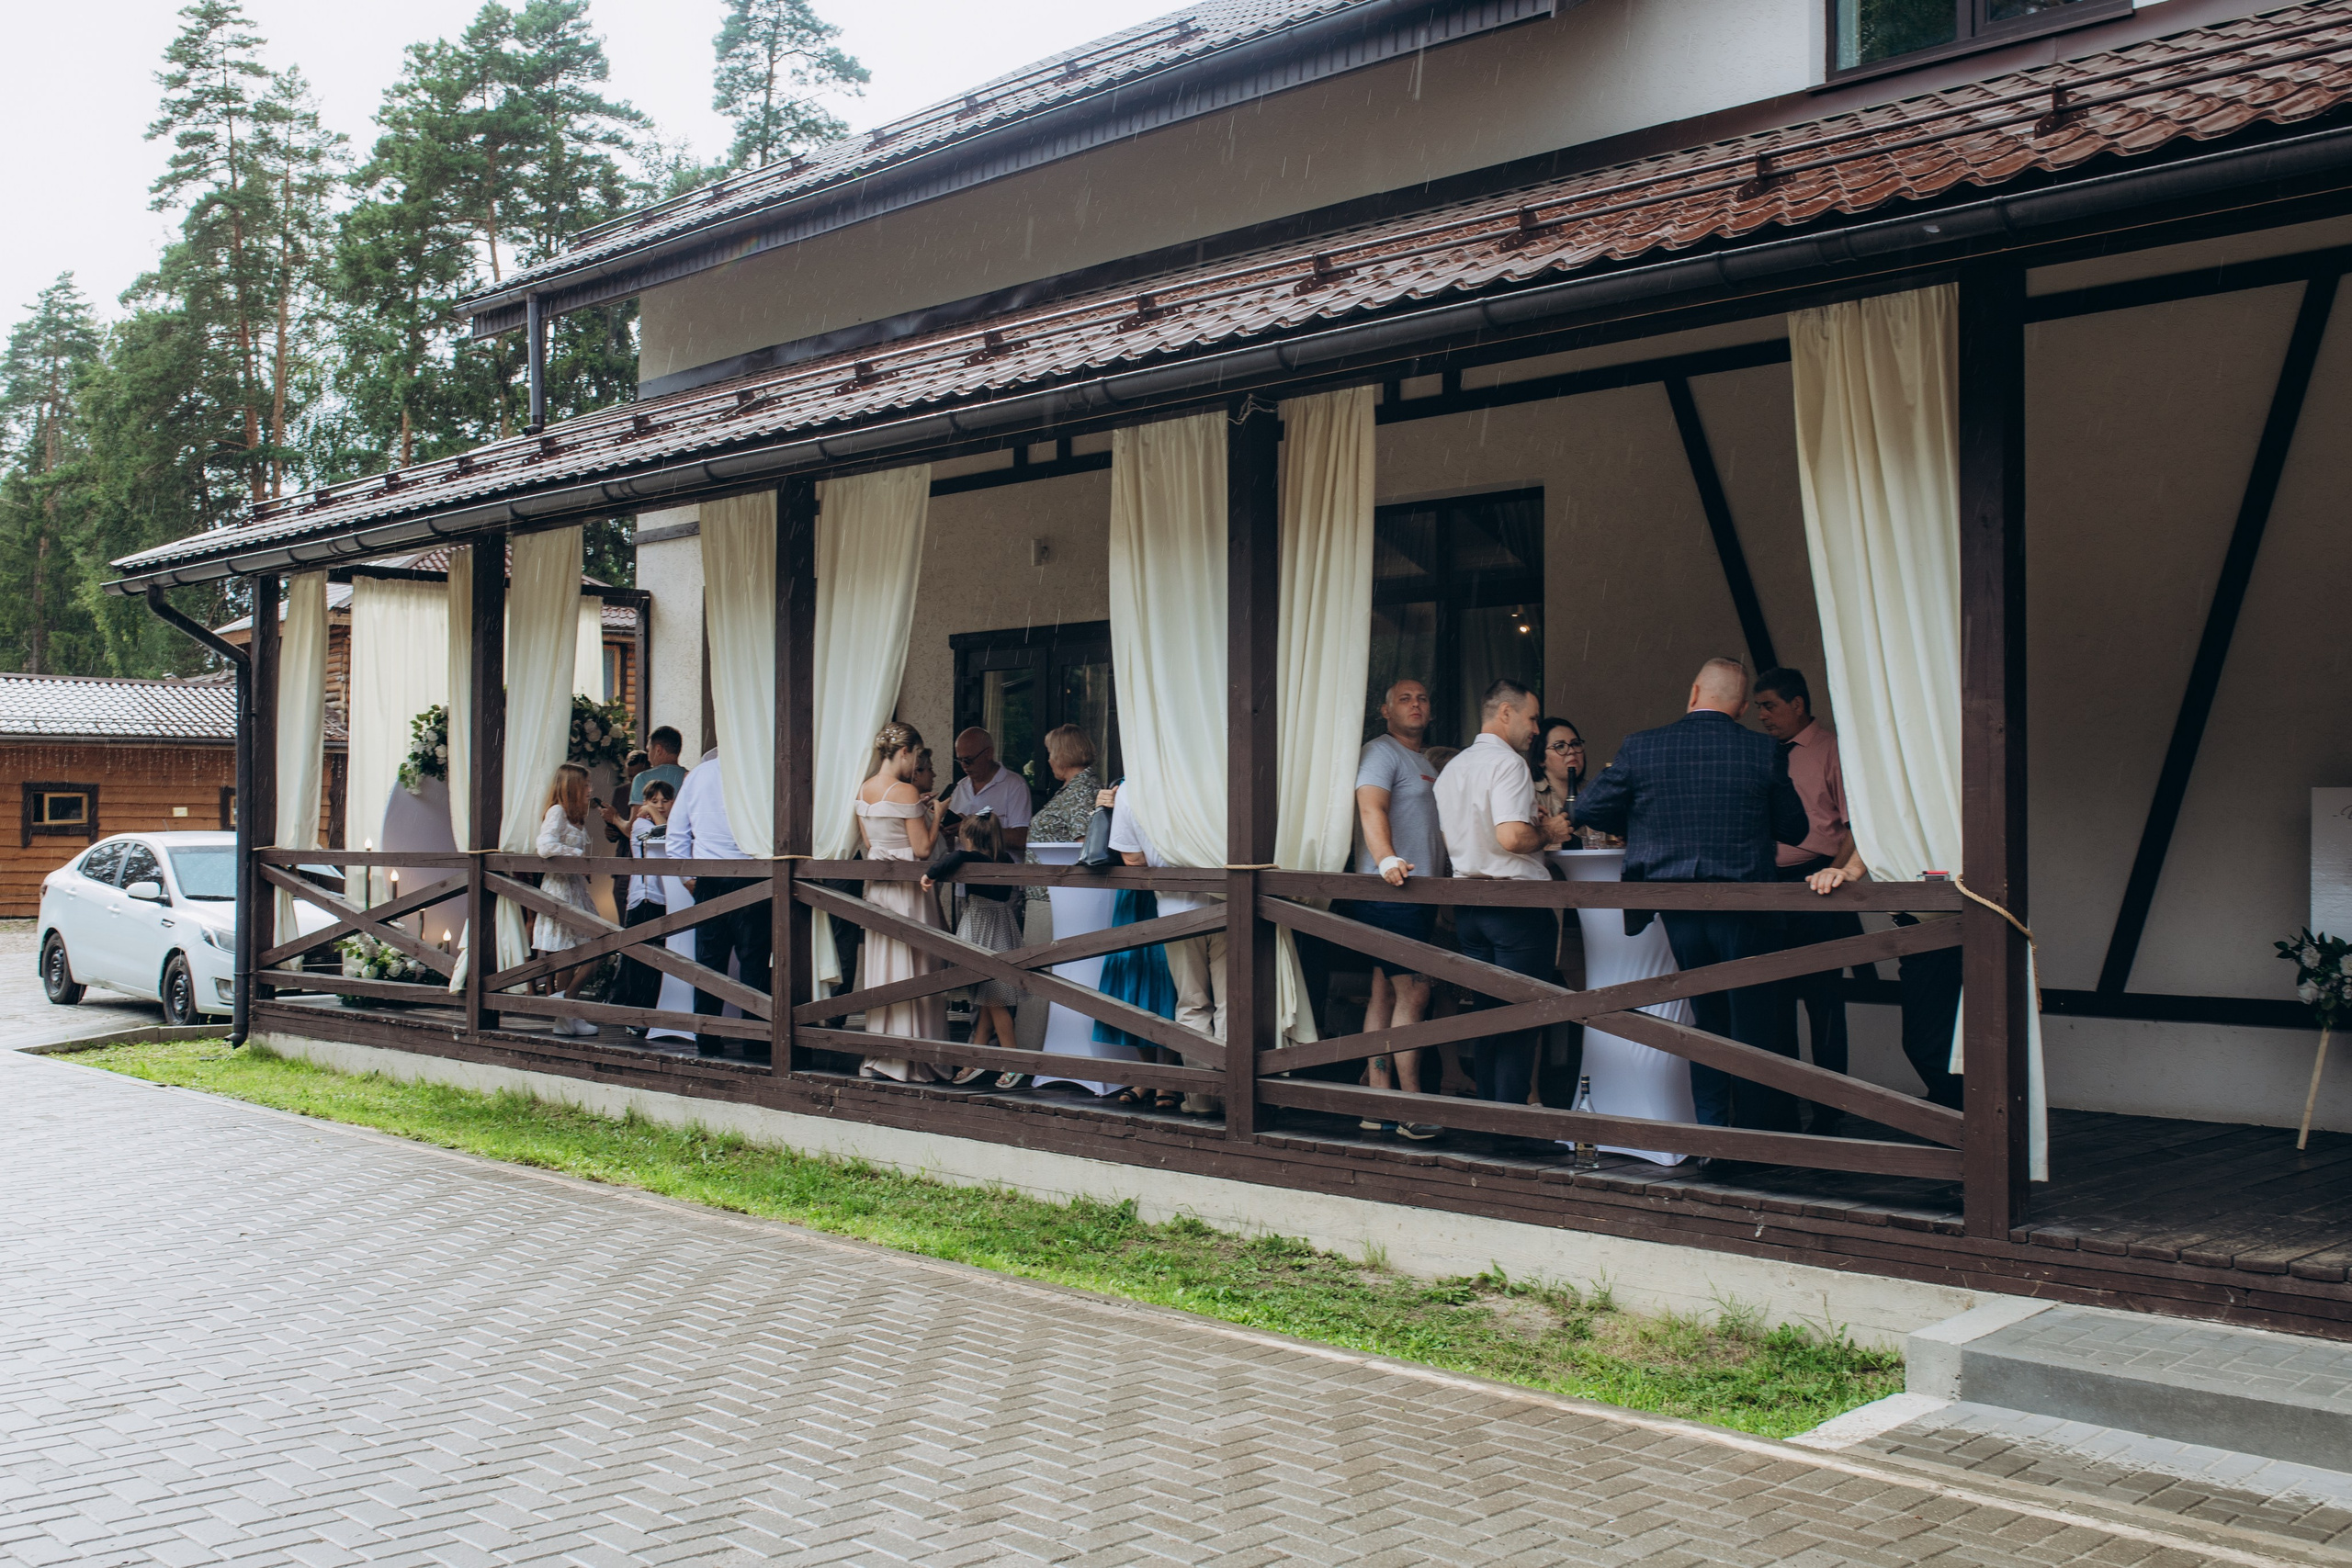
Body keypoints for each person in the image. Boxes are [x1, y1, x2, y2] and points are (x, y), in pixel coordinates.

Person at [1573, 658, 1808, 1136]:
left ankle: (1711, 1131)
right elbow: (1794, 827)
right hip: (1747, 908)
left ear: (1694, 692)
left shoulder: (1643, 746)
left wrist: (1647, 825)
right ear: (1741, 707)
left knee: (1707, 1019)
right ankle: (1759, 1139)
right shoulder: (1762, 751)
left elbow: (1592, 807)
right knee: (1754, 1025)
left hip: (1677, 905)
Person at [1433, 677, 1572, 1111]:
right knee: (1522, 1018)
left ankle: (1490, 1116)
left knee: (1489, 1015)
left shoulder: (1453, 768)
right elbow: (1512, 838)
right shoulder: (1509, 764)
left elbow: (1458, 836)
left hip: (1469, 903)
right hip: (1515, 905)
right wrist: (1548, 830)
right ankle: (1511, 1129)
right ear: (1505, 712)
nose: (1536, 729)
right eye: (1532, 719)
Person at [1753, 667, 1860, 1135]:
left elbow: (1856, 823)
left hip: (1818, 881)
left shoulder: (1832, 749)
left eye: (1770, 705)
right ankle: (1783, 1103)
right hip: (1769, 882)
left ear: (1798, 704)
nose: (1762, 716)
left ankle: (1830, 1106)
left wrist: (1835, 873)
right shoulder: (1761, 754)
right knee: (1773, 998)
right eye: (1757, 707)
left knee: (1823, 1000)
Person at [1344, 678, 1445, 1142]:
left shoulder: (1422, 761)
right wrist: (1385, 859)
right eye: (1405, 699)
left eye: (1422, 698)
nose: (1416, 705)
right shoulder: (1380, 752)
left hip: (1416, 895)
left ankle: (1377, 1099)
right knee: (1417, 991)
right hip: (1389, 891)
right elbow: (1371, 807)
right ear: (1385, 711)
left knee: (1384, 993)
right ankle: (1410, 1104)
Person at [1804, 852, 1963, 1111]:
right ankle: (1955, 1126)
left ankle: (1960, 1129)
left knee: (1931, 1047)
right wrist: (1849, 870)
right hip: (1919, 933)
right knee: (1927, 1046)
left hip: (1949, 932)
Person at [1106, 777, 1221, 1116]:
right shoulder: (1207, 775)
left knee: (1192, 1003)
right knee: (1231, 1004)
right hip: (1226, 900)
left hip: (1174, 909)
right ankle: (1232, 1096)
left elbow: (1132, 859)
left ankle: (1202, 1099)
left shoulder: (1131, 790)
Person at [854, 721, 948, 1081]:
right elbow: (923, 849)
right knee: (918, 964)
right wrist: (935, 815)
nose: (915, 767)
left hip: (879, 888)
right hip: (911, 890)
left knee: (884, 965)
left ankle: (882, 1050)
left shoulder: (864, 790)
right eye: (916, 756)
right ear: (905, 752)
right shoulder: (906, 792)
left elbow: (870, 843)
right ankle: (916, 1054)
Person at [667, 746, 773, 1064]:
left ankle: (707, 1035)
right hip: (753, 876)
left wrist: (688, 878)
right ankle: (756, 1038)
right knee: (754, 960)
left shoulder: (698, 776)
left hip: (710, 877)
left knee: (709, 960)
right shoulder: (759, 775)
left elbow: (676, 833)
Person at [922, 811, 1023, 1088]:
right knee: (986, 999)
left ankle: (1013, 1062)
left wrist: (930, 874)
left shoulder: (975, 857)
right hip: (999, 925)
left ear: (969, 839)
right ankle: (975, 1060)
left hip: (983, 926)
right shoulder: (1005, 859)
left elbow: (953, 858)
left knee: (994, 999)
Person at [532, 762, 602, 1037]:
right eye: (585, 785)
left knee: (582, 952)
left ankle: (566, 1013)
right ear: (572, 786)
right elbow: (545, 846)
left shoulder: (576, 817)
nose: (590, 790)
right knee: (584, 949)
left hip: (575, 889)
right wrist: (578, 859)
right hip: (560, 890)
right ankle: (565, 1005)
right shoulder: (557, 811)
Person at [613, 778, 674, 1020]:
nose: (659, 805)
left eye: (665, 800)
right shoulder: (640, 823)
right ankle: (635, 1015)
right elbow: (664, 836)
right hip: (645, 898)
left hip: (665, 900)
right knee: (640, 962)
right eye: (653, 800)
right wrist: (647, 811)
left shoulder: (675, 822)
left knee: (658, 961)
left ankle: (650, 1013)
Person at [948, 728, 1034, 850]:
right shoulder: (960, 787)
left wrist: (972, 829)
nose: (964, 766)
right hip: (961, 865)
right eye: (960, 761)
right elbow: (952, 845)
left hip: (998, 867)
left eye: (968, 760)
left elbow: (1021, 838)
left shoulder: (1014, 785)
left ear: (988, 753)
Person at [630, 725, 688, 806]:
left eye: (649, 750)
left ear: (658, 750)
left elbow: (636, 818)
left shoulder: (642, 778)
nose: (648, 757)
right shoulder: (692, 777)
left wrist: (615, 817)